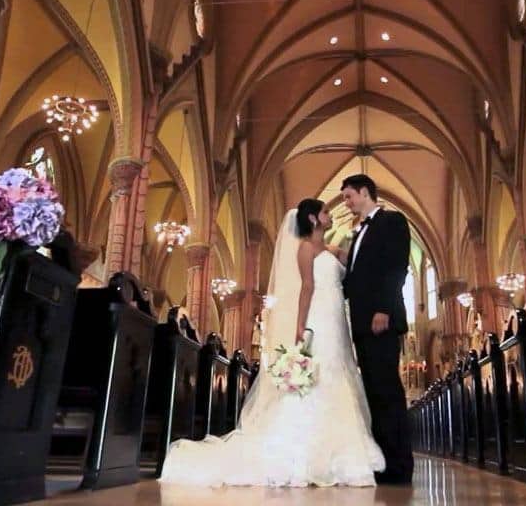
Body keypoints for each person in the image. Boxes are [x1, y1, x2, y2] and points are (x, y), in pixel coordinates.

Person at [159, 199, 384, 487]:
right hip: (318, 317)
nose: (330, 216)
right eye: (326, 212)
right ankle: (306, 455)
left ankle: (341, 452)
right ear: (314, 219)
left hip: (337, 318)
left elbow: (352, 261)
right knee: (320, 376)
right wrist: (301, 326)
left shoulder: (331, 249)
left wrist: (359, 233)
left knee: (339, 373)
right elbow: (307, 288)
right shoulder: (305, 248)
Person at [340, 174, 414, 485]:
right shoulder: (357, 233)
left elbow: (397, 265)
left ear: (365, 192)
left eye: (348, 196)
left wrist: (384, 307)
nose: (347, 203)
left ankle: (399, 465)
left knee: (388, 392)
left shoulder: (391, 221)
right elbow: (356, 279)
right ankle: (384, 462)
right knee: (374, 394)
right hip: (362, 325)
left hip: (380, 319)